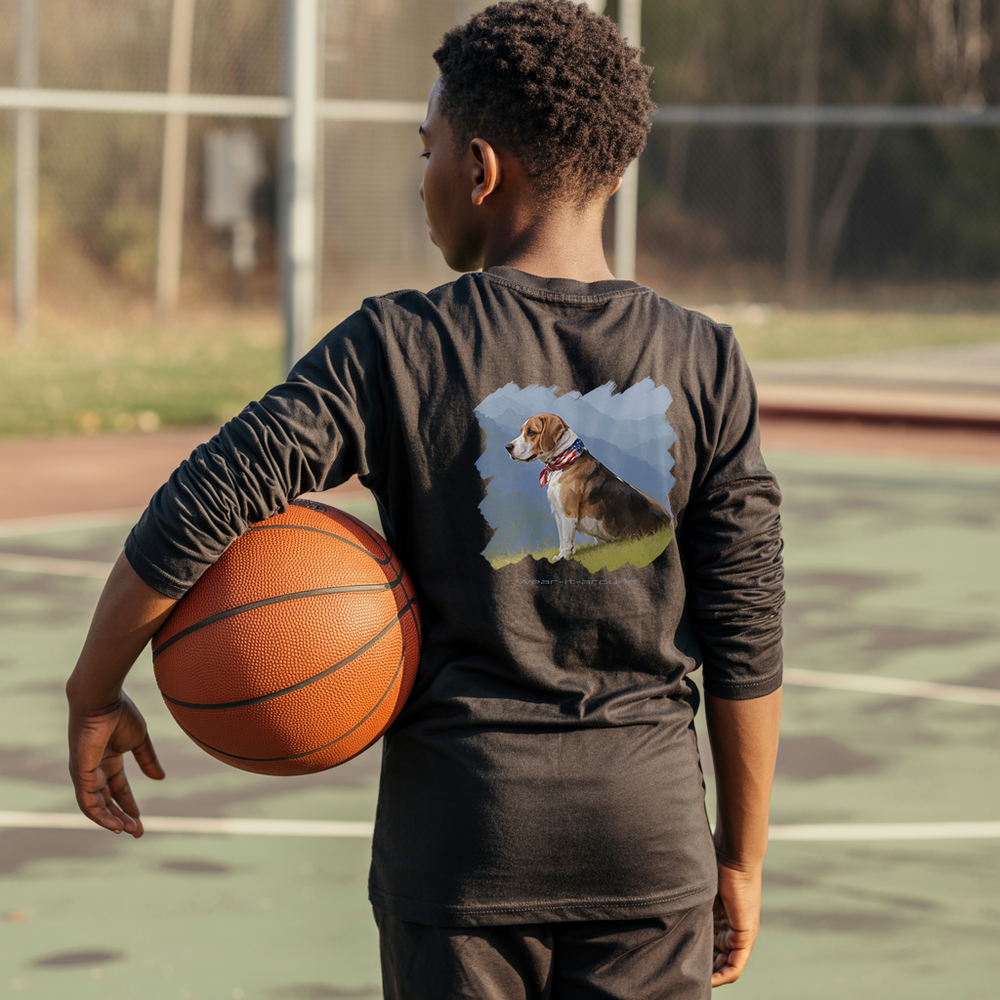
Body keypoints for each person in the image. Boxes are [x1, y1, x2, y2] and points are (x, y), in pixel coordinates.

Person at [66, 2, 783, 997]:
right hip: (645, 838)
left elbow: (206, 498)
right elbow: (746, 629)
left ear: (479, 170)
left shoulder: (396, 347)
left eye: (428, 148)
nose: (422, 177)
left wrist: (93, 688)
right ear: (614, 171)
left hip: (461, 843)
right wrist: (738, 859)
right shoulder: (704, 359)